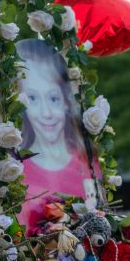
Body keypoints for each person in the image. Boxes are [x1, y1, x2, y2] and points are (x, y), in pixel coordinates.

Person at [16, 38, 96, 232]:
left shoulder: (85, 162)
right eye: (33, 98)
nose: (46, 113)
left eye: (53, 98)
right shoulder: (13, 168)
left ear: (66, 100)